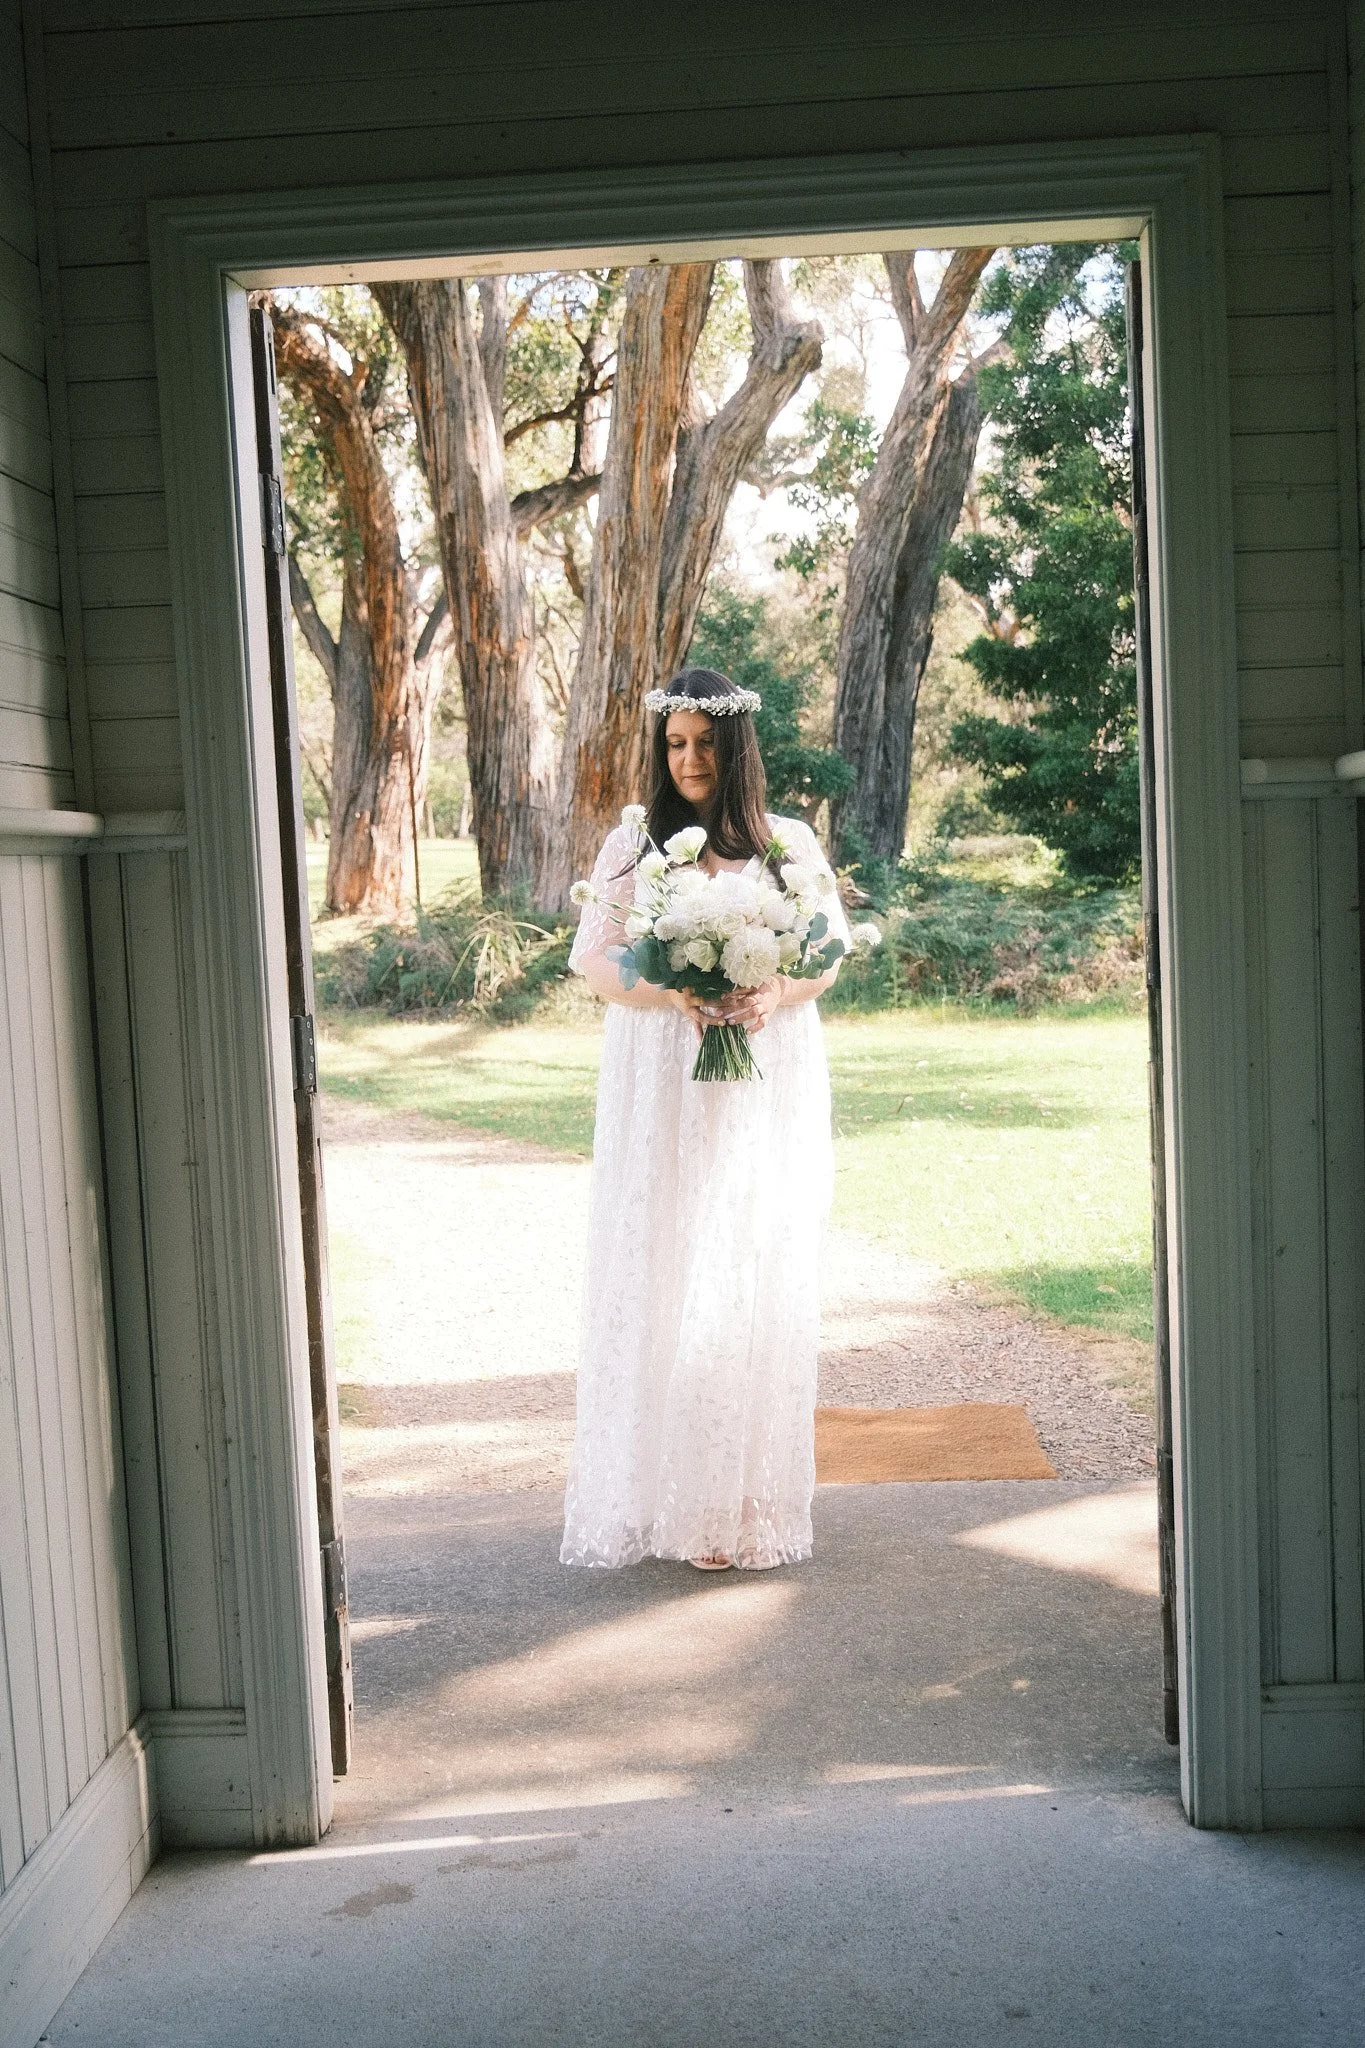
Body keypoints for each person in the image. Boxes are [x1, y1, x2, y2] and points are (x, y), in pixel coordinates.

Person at [560, 667, 851, 1572]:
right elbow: (594, 962)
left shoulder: (786, 841)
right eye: (674, 743)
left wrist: (775, 991)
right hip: (664, 1076)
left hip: (764, 1074)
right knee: (668, 1263)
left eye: (703, 743)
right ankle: (663, 1500)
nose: (688, 759)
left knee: (750, 1266)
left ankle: (742, 1501)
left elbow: (829, 952)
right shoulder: (635, 843)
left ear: (735, 749)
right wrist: (672, 990)